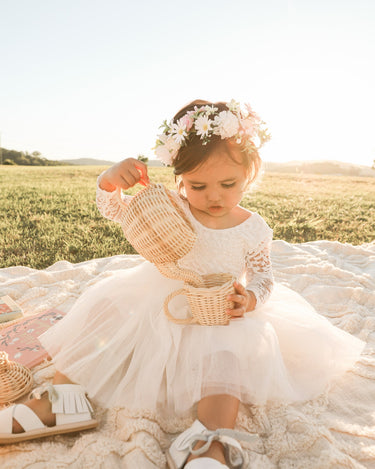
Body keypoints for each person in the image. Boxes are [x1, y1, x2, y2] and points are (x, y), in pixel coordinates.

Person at [0, 100, 366, 469]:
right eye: (197, 185)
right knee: (103, 309)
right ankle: (64, 401)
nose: (213, 196)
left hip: (217, 315)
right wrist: (110, 180)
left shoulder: (253, 228)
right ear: (179, 178)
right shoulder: (173, 205)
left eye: (228, 184)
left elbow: (264, 276)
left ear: (249, 175)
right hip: (158, 300)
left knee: (227, 360)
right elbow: (117, 211)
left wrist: (251, 299)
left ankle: (207, 439)